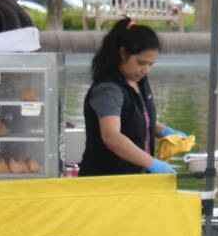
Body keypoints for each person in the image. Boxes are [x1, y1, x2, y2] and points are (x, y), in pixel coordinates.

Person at [78, 19, 187, 176]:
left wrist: (165, 131)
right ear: (123, 53)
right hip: (106, 180)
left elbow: (139, 117)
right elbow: (111, 136)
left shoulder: (138, 81)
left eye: (151, 64)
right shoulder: (108, 89)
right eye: (141, 63)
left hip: (135, 177)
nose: (146, 70)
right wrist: (152, 163)